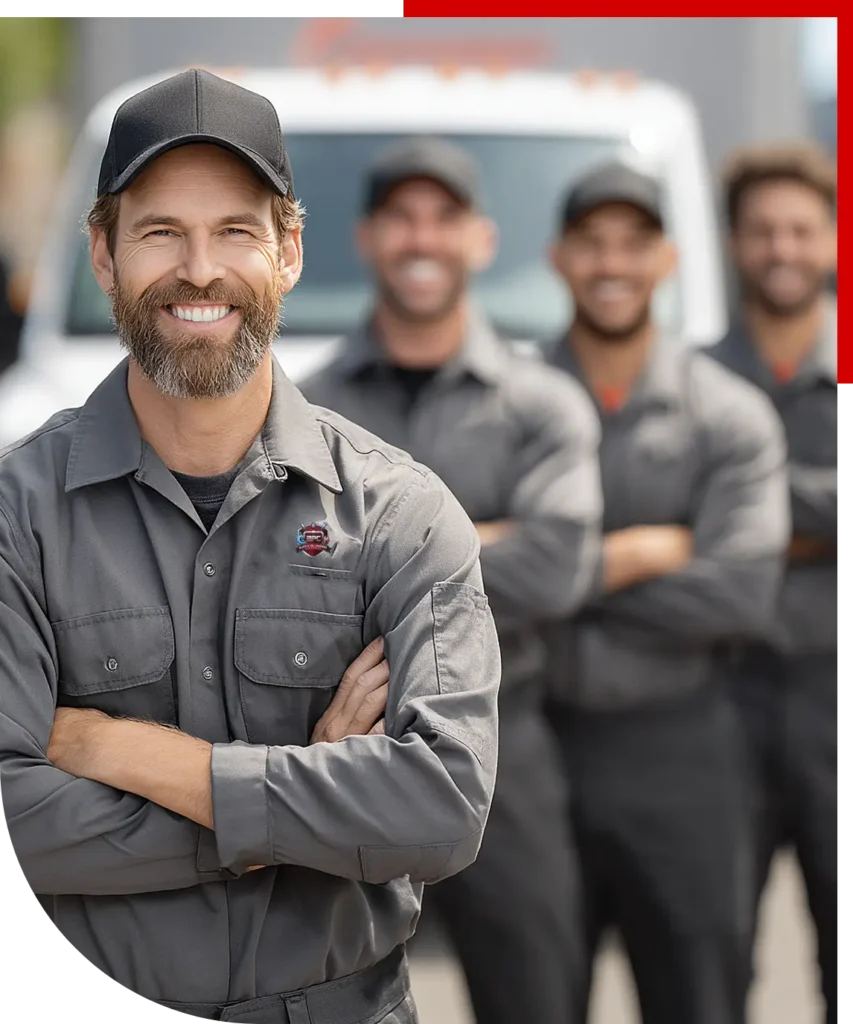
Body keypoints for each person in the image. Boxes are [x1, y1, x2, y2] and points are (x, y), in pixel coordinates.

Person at [0, 70, 501, 1023]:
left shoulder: (400, 515)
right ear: (102, 255)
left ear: (290, 252)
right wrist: (285, 818)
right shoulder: (16, 517)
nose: (199, 270)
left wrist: (136, 759)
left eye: (235, 230)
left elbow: (443, 804)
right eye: (159, 233)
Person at [300, 136, 603, 1024]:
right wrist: (480, 537)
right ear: (365, 237)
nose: (420, 239)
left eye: (442, 218)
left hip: (507, 752)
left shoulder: (540, 402)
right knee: (329, 1001)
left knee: (536, 997)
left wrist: (370, 560)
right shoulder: (307, 409)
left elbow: (554, 570)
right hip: (344, 751)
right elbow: (284, 574)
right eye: (400, 217)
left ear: (480, 239)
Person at [543, 161, 791, 1024]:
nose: (611, 263)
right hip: (539, 749)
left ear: (668, 259)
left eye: (632, 243)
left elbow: (741, 594)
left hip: (682, 753)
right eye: (591, 243)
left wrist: (553, 577)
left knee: (699, 1001)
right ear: (557, 257)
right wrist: (638, 556)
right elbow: (461, 576)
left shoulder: (725, 415)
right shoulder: (510, 406)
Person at [707, 144, 839, 1024]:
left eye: (799, 230)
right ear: (732, 243)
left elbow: (704, 520)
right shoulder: (694, 380)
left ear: (832, 241)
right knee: (708, 964)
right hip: (719, 710)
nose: (780, 249)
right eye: (761, 232)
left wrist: (739, 511)